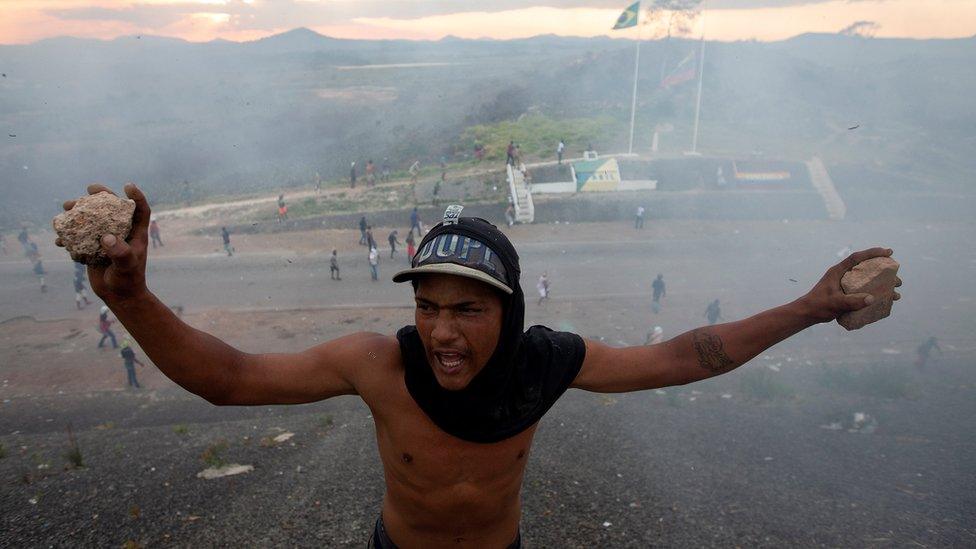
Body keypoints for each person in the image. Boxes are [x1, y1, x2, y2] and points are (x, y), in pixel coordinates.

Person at [62, 183, 902, 548]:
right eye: (427, 306)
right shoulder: (376, 366)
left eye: (467, 308)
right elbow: (231, 379)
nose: (442, 331)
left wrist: (810, 306)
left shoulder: (549, 365)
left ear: (510, 311)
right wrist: (131, 296)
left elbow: (685, 356)